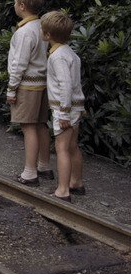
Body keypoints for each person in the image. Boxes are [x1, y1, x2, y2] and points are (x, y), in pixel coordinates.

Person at [6, 0, 52, 186]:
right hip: (42, 84)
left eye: (15, 2)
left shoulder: (24, 32)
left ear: (22, 6)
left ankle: (29, 173)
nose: (14, 5)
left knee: (28, 127)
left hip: (27, 85)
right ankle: (44, 166)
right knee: (41, 124)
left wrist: (11, 88)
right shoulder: (43, 26)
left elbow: (19, 63)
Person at [41, 11, 85, 202]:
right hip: (76, 106)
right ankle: (76, 182)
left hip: (65, 109)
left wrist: (64, 113)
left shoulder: (57, 57)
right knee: (73, 146)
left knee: (62, 148)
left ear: (48, 35)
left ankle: (62, 190)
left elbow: (65, 85)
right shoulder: (70, 53)